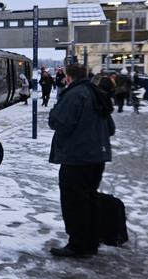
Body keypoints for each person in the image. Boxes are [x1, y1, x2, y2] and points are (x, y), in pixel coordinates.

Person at [47, 62, 115, 258]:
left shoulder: (75, 94)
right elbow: (110, 128)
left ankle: (77, 244)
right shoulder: (95, 92)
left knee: (74, 201)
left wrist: (54, 110)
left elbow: (58, 122)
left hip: (77, 157)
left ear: (68, 77)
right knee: (89, 199)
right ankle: (90, 242)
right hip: (97, 157)